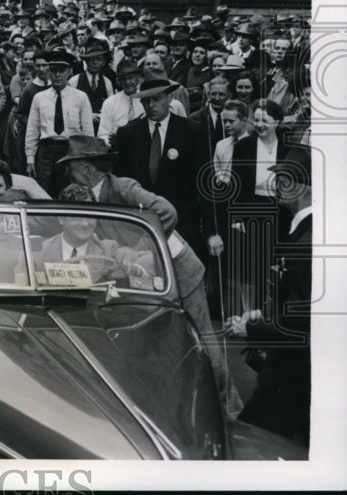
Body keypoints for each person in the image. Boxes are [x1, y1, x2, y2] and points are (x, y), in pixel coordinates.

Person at [55, 135, 241, 416]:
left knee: (202, 340)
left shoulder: (124, 187)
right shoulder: (85, 195)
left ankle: (232, 410)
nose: (68, 173)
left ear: (87, 168)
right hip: (149, 275)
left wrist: (142, 247)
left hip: (180, 271)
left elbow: (167, 212)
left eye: (72, 166)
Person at [228, 147, 312, 445]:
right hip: (298, 373)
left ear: (303, 187)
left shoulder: (306, 241)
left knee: (248, 441)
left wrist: (250, 327)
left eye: (284, 179)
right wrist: (263, 314)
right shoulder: (305, 230)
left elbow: (302, 319)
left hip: (291, 375)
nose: (276, 186)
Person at [112, 77, 214, 266]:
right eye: (145, 101)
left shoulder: (192, 131)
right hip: (141, 226)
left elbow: (206, 184)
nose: (151, 105)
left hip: (183, 223)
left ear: (169, 99)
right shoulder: (128, 134)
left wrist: (211, 232)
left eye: (157, 99)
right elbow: (120, 184)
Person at [224, 99, 290, 314]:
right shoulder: (245, 146)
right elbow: (236, 184)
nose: (260, 124)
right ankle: (251, 313)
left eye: (266, 120)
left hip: (282, 212)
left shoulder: (288, 145)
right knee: (252, 267)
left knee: (277, 264)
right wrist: (237, 218)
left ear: (277, 122)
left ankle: (274, 312)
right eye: (257, 119)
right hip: (252, 209)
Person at [24, 50, 93, 195]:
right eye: (53, 71)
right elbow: (32, 130)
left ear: (69, 72)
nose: (57, 75)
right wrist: (30, 159)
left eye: (61, 71)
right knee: (43, 192)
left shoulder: (80, 97)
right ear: (48, 72)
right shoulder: (39, 98)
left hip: (70, 150)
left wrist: (86, 160)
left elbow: (87, 132)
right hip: (46, 152)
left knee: (68, 192)